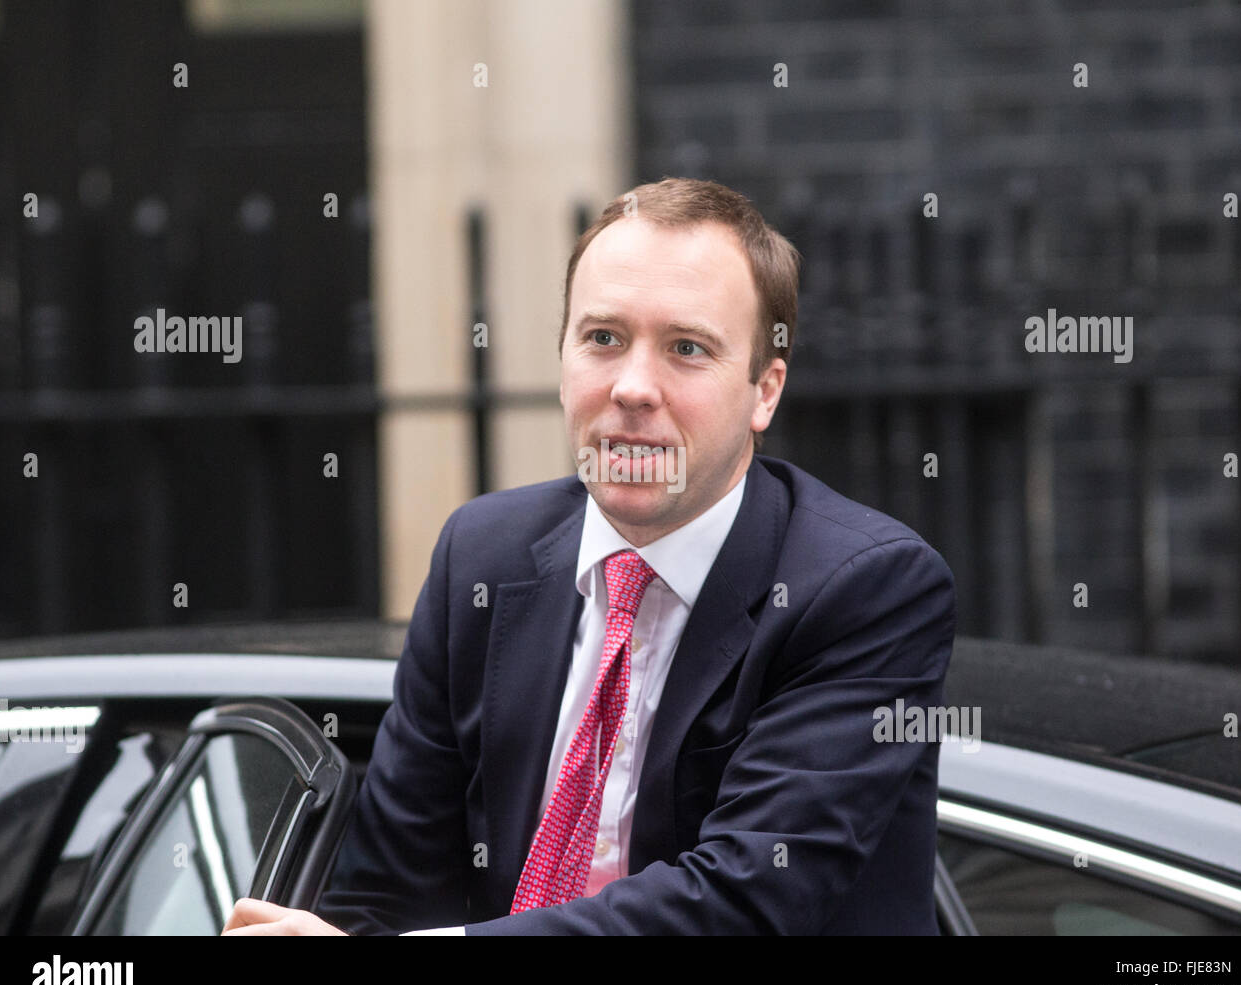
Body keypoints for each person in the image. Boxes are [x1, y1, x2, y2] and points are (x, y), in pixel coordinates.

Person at [222, 177, 955, 936]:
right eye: (603, 338)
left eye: (687, 348)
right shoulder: (480, 558)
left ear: (764, 390)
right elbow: (386, 896)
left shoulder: (867, 589)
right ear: (564, 359)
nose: (633, 387)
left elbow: (744, 900)